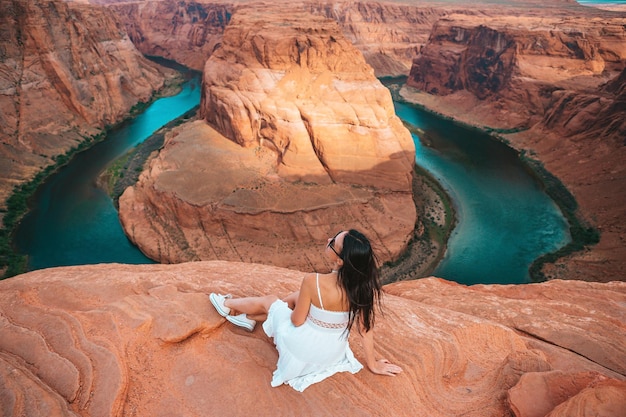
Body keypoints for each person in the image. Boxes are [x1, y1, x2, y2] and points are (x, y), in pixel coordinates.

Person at [209, 229, 402, 392]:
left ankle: (227, 305)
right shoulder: (363, 289)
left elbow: (296, 321)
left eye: (333, 242)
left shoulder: (313, 281)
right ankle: (249, 317)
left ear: (340, 261)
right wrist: (373, 364)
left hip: (303, 350)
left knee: (271, 301)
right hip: (331, 354)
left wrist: (287, 310)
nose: (328, 240)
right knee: (294, 297)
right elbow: (365, 330)